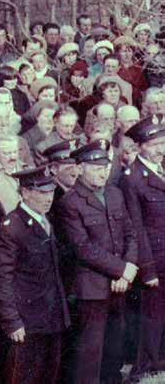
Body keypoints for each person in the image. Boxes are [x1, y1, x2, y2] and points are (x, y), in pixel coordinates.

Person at [55, 139, 139, 384]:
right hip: (91, 288)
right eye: (95, 167)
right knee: (89, 355)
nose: (102, 172)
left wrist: (127, 271)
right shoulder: (70, 202)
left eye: (105, 166)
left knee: (114, 348)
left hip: (118, 285)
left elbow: (130, 233)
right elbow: (83, 249)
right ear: (79, 168)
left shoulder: (114, 193)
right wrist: (122, 269)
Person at [0, 166, 70, 384]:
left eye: (51, 192)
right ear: (25, 193)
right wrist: (12, 321)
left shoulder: (45, 221)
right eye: (42, 192)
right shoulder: (12, 226)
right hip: (27, 322)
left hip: (51, 315)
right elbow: (2, 279)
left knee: (49, 374)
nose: (48, 198)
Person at [119, 116, 165, 380]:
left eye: (163, 143)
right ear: (139, 147)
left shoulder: (161, 168)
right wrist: (147, 270)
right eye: (154, 144)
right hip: (155, 260)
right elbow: (136, 227)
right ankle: (145, 368)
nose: (161, 149)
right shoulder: (132, 178)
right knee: (151, 316)